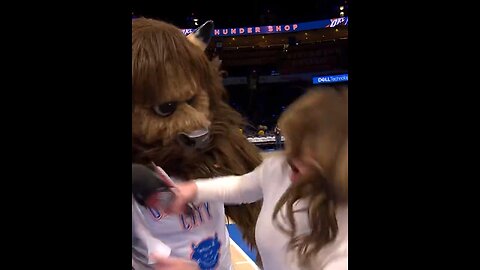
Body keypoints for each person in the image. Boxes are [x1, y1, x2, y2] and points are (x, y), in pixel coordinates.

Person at [168, 86, 348, 270]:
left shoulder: (342, 230)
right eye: (293, 145)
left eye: (304, 154)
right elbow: (240, 187)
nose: (291, 159)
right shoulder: (280, 167)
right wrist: (194, 190)